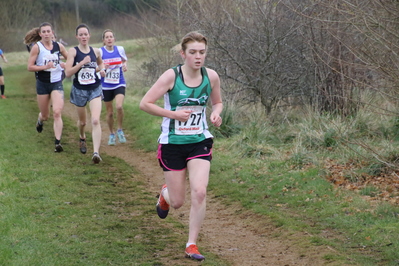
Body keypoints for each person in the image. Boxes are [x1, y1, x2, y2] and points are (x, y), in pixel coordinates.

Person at [139, 31, 223, 261]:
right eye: (193, 52)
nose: (198, 57)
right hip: (173, 144)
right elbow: (144, 103)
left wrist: (216, 114)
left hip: (200, 142)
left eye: (202, 53)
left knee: (200, 191)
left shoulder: (211, 76)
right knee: (177, 202)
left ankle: (191, 244)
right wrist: (173, 114)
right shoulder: (171, 76)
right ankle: (165, 195)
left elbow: (217, 102)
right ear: (183, 54)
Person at [65, 24, 105, 164]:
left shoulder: (96, 51)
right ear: (77, 36)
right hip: (79, 90)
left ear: (89, 35)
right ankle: (82, 137)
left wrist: (102, 70)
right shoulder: (73, 52)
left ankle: (96, 153)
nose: (83, 37)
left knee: (95, 120)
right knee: (83, 122)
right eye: (80, 34)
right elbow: (68, 73)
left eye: (85, 34)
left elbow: (101, 63)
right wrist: (81, 63)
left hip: (95, 88)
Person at [26, 22, 68, 152]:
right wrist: (45, 67)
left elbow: (70, 60)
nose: (46, 34)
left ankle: (57, 143)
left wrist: (65, 64)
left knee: (57, 112)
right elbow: (30, 67)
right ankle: (40, 120)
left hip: (56, 83)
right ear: (40, 34)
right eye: (43, 32)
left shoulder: (59, 46)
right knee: (45, 115)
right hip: (42, 84)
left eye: (48, 31)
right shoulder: (37, 48)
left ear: (52, 33)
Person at [99, 29, 128, 145]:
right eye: (107, 37)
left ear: (114, 39)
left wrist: (125, 65)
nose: (109, 39)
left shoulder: (120, 49)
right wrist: (102, 70)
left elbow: (124, 60)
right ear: (103, 40)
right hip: (106, 85)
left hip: (119, 82)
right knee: (110, 112)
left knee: (119, 106)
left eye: (111, 37)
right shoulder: (100, 52)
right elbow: (97, 67)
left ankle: (120, 130)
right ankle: (111, 134)